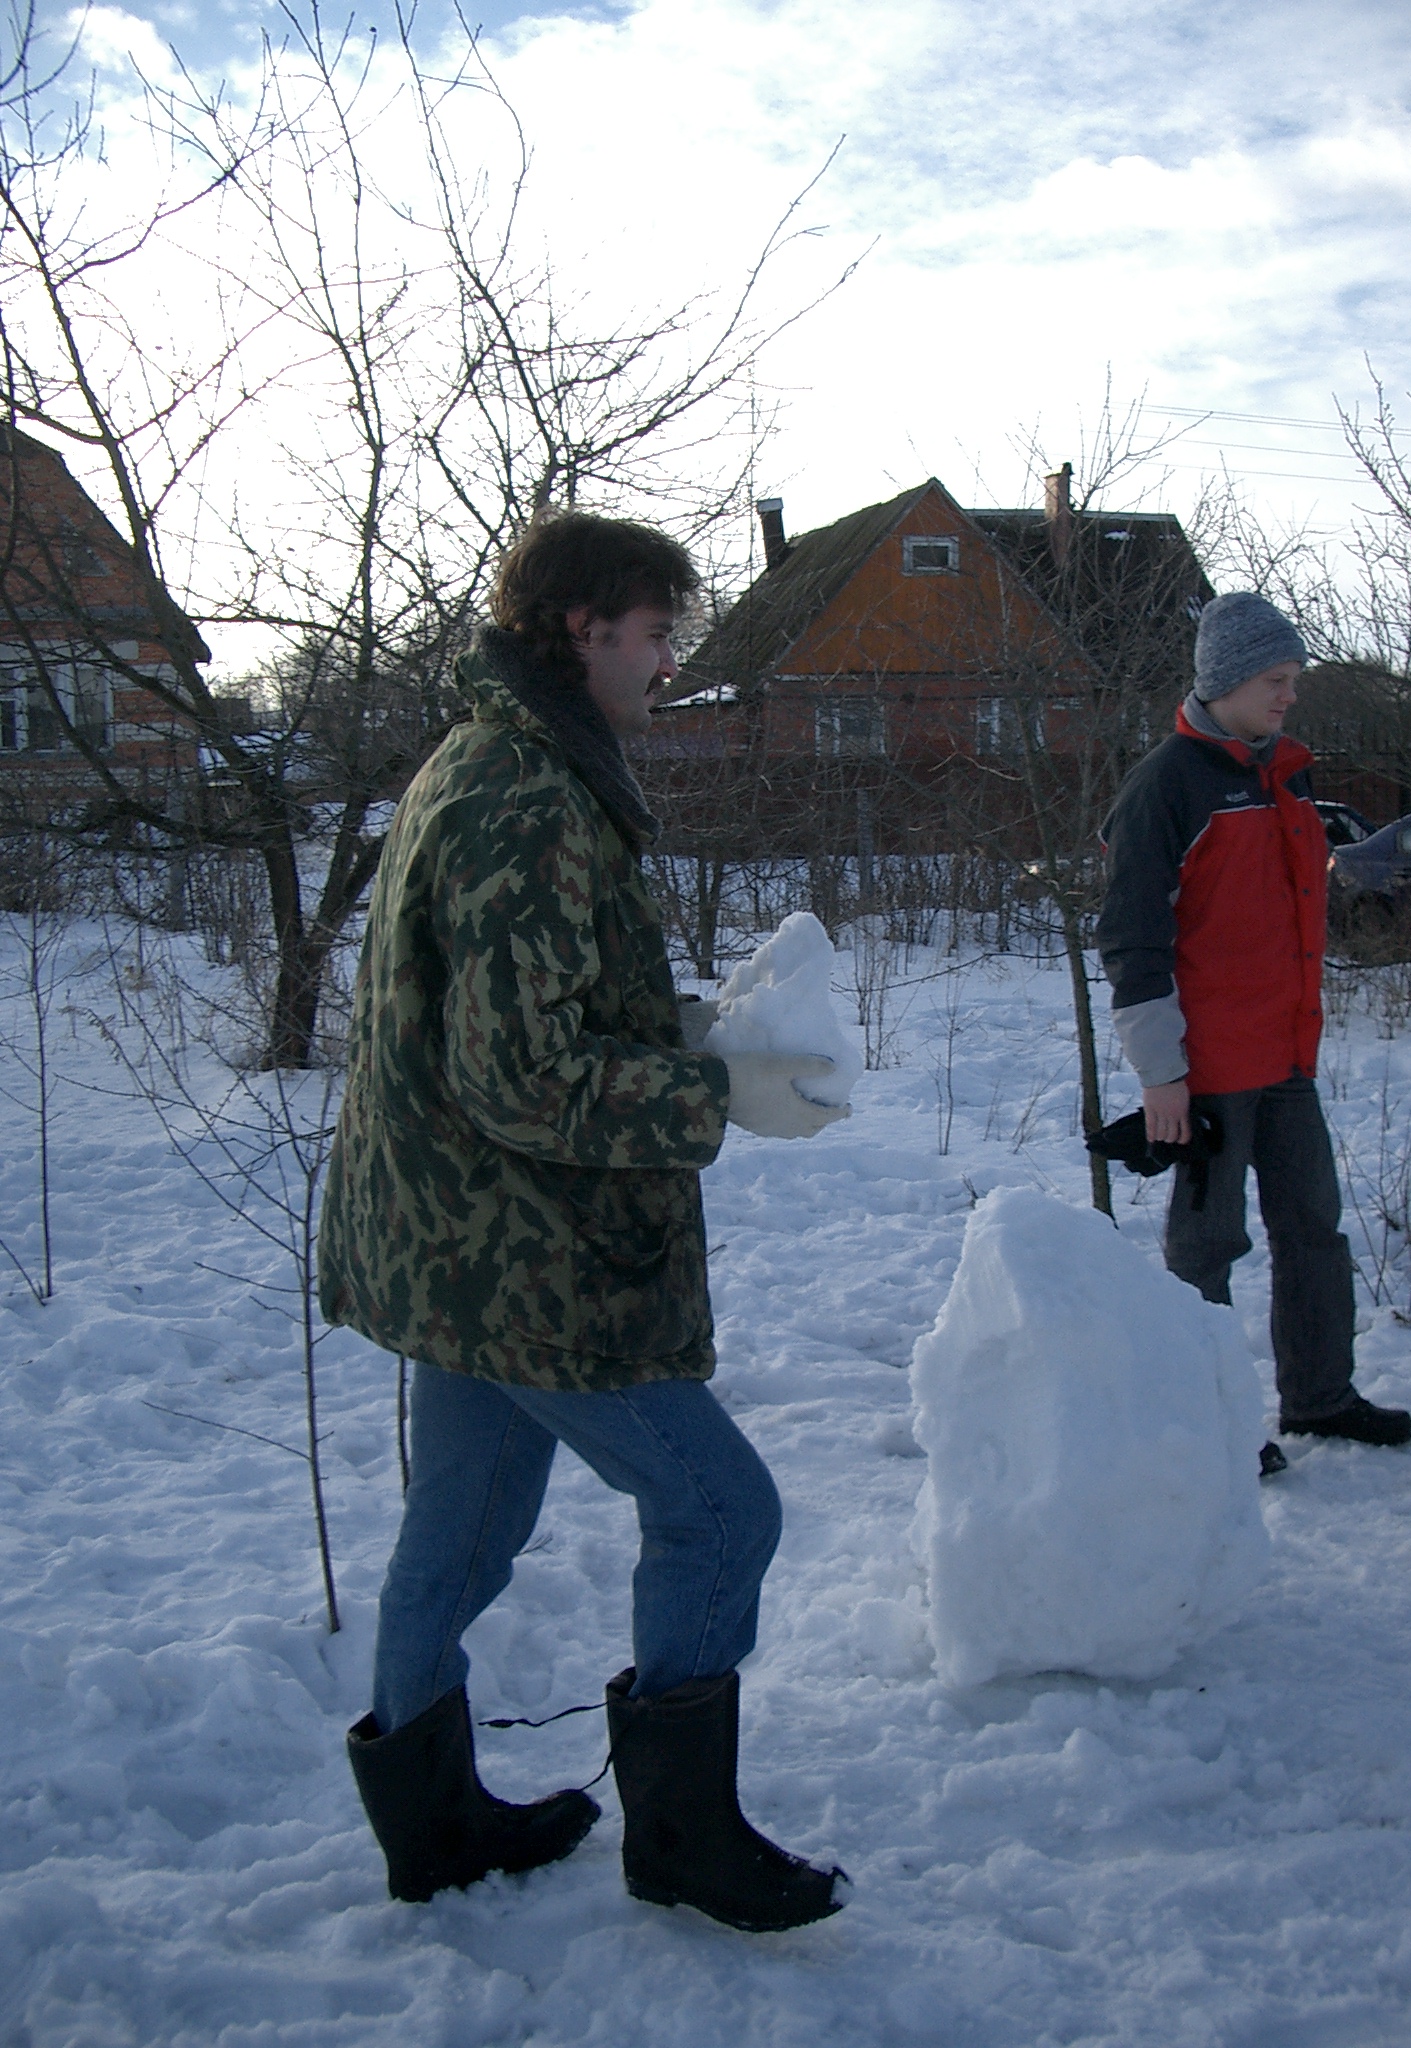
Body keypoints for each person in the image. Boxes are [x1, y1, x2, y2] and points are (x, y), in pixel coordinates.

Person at [318, 510, 849, 1932]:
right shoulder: (526, 795)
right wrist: (715, 1092)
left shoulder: (496, 757)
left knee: (465, 1524)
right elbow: (521, 1075)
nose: (672, 660)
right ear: (580, 627)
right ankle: (680, 1839)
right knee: (721, 1509)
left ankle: (434, 1826)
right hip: (523, 1256)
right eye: (657, 631)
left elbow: (515, 1010)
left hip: (457, 1239)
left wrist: (682, 1027)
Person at [1097, 590, 1411, 1458]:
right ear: (1227, 679)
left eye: (1294, 677)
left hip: (1285, 1056)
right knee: (1206, 1249)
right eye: (1276, 678)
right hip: (1205, 1068)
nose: (1290, 694)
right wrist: (1162, 1075)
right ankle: (1212, 1428)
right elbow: (1132, 938)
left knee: (1314, 1229)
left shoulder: (1286, 774)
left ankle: (1320, 1397)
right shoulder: (1167, 785)